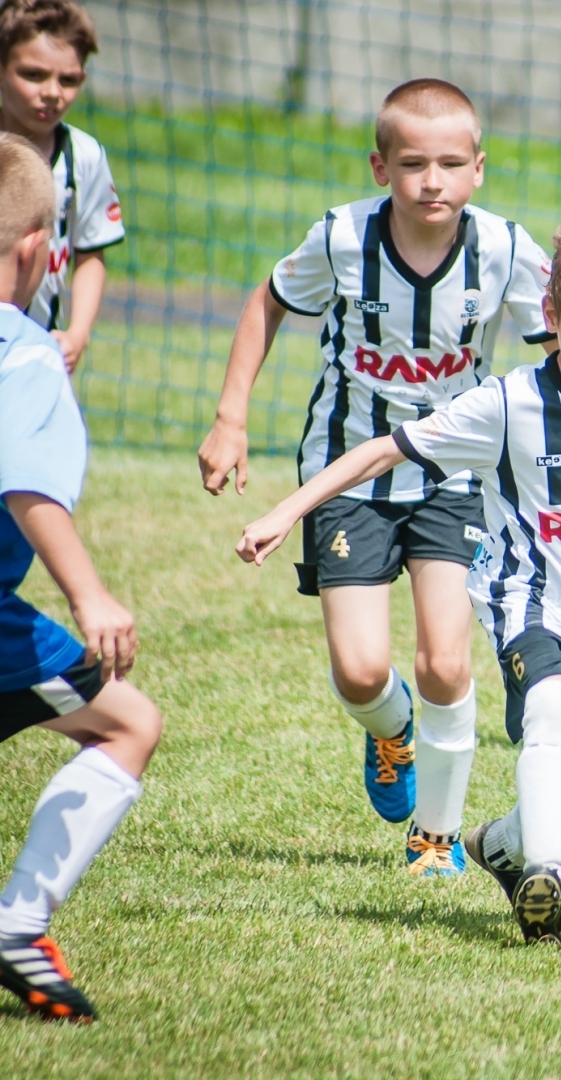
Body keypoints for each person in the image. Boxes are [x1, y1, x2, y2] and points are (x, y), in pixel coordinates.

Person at [236, 215, 561, 944]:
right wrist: (288, 510)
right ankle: (550, 875)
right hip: (526, 603)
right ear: (551, 318)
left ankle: (500, 846)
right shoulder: (508, 403)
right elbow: (383, 449)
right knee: (550, 710)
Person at [197, 79, 553, 877]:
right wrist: (231, 415)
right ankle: (392, 733)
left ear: (479, 168)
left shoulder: (503, 249)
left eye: (452, 163)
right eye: (414, 163)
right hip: (344, 472)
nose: (434, 180)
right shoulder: (340, 237)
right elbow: (269, 301)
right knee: (361, 672)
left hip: (451, 477)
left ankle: (436, 837)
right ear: (380, 165)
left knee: (446, 663)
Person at [0, 132, 161, 1023]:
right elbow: (27, 482)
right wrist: (89, 594)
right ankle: (18, 924)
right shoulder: (23, 353)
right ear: (37, 250)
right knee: (129, 721)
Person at [0, 0, 123, 369]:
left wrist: (78, 333)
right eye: (34, 74)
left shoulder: (84, 157)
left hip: (36, 353)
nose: (52, 92)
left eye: (67, 80)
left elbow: (91, 253)